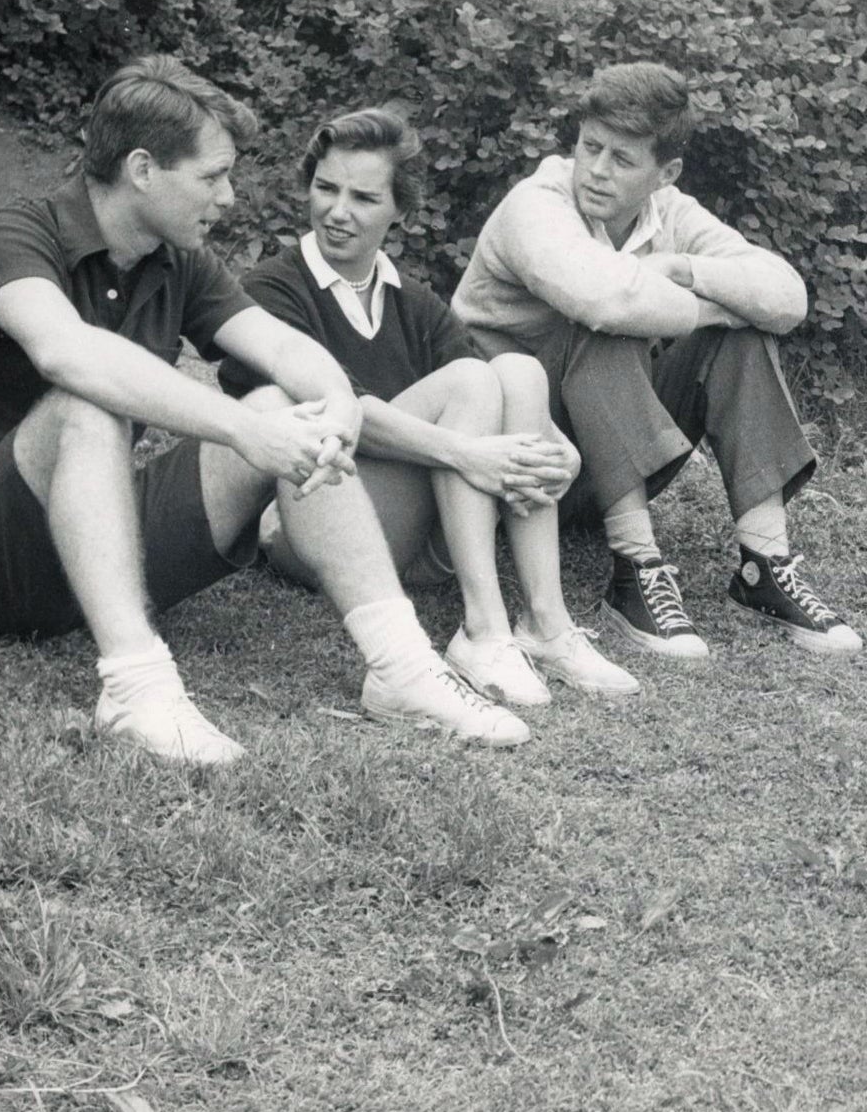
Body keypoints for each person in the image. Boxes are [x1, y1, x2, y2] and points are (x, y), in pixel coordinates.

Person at [0, 56, 530, 764]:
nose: (230, 197)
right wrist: (243, 427)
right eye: (212, 176)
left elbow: (281, 348)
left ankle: (400, 667)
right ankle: (134, 688)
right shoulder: (17, 231)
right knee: (86, 406)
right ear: (144, 168)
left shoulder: (178, 258)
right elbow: (67, 353)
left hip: (95, 548)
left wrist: (335, 404)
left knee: (285, 401)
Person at [220, 107, 638, 704]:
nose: (338, 212)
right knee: (469, 380)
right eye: (326, 188)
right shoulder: (271, 288)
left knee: (516, 371)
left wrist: (563, 457)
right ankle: (483, 629)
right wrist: (466, 453)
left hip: (421, 533)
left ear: (399, 211)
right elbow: (328, 407)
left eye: (364, 197)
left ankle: (548, 624)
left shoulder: (412, 301)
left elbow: (509, 401)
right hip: (312, 525)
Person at [451, 61, 862, 661]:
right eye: (590, 147)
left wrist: (687, 270)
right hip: (508, 472)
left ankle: (765, 563)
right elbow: (605, 300)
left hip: (603, 462)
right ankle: (635, 568)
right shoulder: (536, 202)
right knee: (610, 327)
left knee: (741, 337)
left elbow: (788, 296)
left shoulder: (670, 212)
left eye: (622, 159)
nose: (596, 170)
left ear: (664, 173)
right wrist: (715, 307)